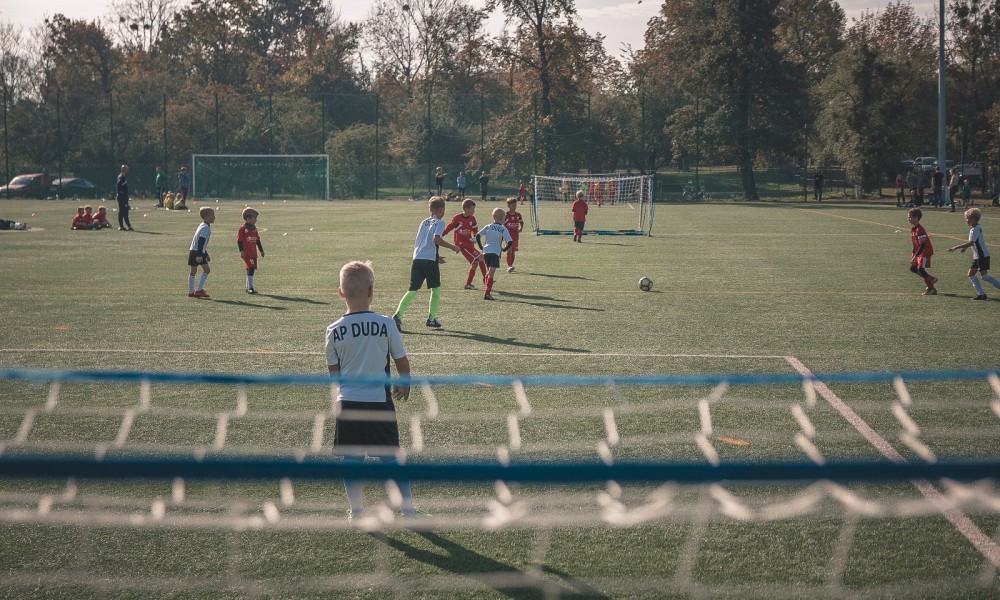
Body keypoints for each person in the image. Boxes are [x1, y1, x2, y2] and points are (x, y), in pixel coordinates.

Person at [325, 260, 420, 521]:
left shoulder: (332, 331)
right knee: (390, 459)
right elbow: (401, 361)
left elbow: (335, 376)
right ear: (371, 291)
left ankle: (356, 512)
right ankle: (408, 510)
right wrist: (405, 382)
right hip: (379, 402)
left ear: (340, 293)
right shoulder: (386, 324)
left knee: (352, 461)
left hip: (348, 404)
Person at [392, 196, 460, 330]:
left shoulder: (423, 222)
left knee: (412, 290)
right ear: (441, 210)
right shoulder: (439, 223)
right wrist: (452, 247)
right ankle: (431, 318)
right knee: (435, 290)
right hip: (428, 261)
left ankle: (397, 316)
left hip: (417, 259)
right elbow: (436, 239)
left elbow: (421, 242)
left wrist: (436, 256)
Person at [948, 207, 1000, 300]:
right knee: (971, 274)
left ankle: (982, 294)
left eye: (967, 218)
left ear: (973, 219)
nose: (966, 220)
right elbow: (973, 242)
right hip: (978, 257)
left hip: (982, 256)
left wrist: (957, 247)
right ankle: (981, 294)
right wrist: (964, 247)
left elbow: (971, 242)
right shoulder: (976, 227)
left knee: (984, 276)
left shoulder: (975, 229)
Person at [441, 198, 487, 290]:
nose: (473, 211)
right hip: (462, 245)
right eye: (472, 209)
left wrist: (474, 237)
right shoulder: (458, 218)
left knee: (475, 263)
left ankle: (468, 284)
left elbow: (475, 230)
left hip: (469, 244)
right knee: (481, 257)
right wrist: (441, 234)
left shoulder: (472, 219)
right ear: (466, 209)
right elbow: (449, 227)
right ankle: (486, 279)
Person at [476, 207, 513, 301]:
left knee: (489, 272)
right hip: (495, 252)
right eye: (504, 217)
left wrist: (481, 246)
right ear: (501, 218)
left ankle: (487, 289)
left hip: (486, 252)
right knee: (491, 272)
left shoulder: (488, 226)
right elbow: (510, 241)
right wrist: (504, 249)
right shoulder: (502, 228)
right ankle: (487, 293)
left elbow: (478, 235)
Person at [907, 208, 937, 296]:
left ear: (916, 218)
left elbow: (923, 245)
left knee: (921, 269)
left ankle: (932, 289)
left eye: (910, 217)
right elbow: (915, 244)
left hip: (925, 252)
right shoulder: (913, 229)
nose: (908, 219)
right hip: (919, 252)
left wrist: (916, 256)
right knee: (913, 268)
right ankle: (931, 279)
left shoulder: (920, 230)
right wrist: (913, 255)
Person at [188, 207, 215, 298]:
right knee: (207, 270)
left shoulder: (202, 225)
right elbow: (201, 241)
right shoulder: (206, 227)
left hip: (193, 251)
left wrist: (205, 254)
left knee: (193, 271)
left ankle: (191, 292)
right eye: (212, 215)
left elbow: (200, 242)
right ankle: (198, 290)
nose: (214, 217)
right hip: (197, 252)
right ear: (207, 217)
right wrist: (200, 255)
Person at [237, 207, 265, 294]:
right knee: (251, 268)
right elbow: (239, 241)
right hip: (247, 253)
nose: (256, 220)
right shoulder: (243, 228)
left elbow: (257, 240)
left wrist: (261, 250)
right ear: (248, 218)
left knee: (251, 268)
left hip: (253, 253)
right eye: (255, 218)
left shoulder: (254, 228)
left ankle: (248, 287)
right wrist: (241, 251)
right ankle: (250, 288)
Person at [503, 197, 523, 272]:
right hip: (507, 235)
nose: (514, 207)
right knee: (509, 250)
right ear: (508, 206)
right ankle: (508, 266)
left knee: (513, 252)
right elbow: (501, 224)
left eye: (515, 205)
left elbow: (521, 222)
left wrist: (520, 229)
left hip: (515, 235)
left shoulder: (518, 214)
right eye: (513, 205)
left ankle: (510, 265)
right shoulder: (505, 215)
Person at [116, 164, 133, 231]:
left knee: (126, 212)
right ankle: (121, 226)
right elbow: (119, 186)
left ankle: (129, 226)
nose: (127, 171)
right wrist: (121, 192)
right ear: (124, 170)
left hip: (124, 197)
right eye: (126, 169)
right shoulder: (121, 177)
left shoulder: (123, 177)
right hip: (121, 197)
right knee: (122, 211)